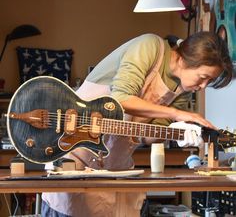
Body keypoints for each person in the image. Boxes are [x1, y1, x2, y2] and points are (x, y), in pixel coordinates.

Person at [41, 31, 233, 217]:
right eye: (203, 77)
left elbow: (144, 136)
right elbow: (121, 99)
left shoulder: (182, 91)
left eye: (210, 81)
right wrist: (176, 114)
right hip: (74, 154)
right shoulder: (150, 46)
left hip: (116, 167)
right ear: (184, 60)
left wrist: (175, 132)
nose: (203, 86)